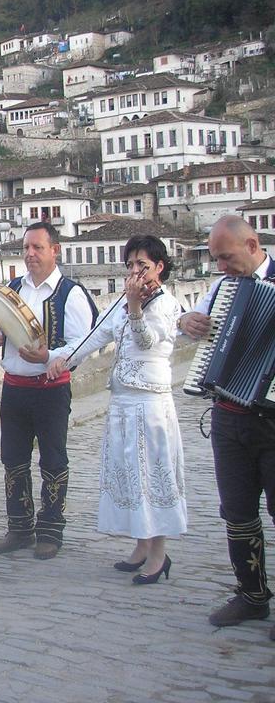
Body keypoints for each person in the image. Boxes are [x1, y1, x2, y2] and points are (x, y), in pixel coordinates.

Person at [47, 235, 186, 584]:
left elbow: (147, 341)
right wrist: (63, 360)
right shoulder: (122, 304)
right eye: (131, 265)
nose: (136, 271)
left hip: (150, 403)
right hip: (123, 402)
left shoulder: (166, 304)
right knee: (131, 477)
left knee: (153, 476)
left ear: (159, 267)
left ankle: (159, 554)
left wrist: (136, 307)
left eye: (143, 264)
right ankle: (141, 545)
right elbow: (95, 336)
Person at [178, 215, 275, 638]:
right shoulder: (223, 289)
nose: (219, 266)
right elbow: (186, 326)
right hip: (229, 416)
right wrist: (187, 323)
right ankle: (251, 596)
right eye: (215, 258)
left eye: (226, 257)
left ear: (252, 245)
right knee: (236, 511)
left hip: (272, 421)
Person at [0, 221, 98, 560]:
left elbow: (84, 345)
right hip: (14, 388)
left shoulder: (70, 293)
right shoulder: (12, 289)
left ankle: (50, 530)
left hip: (50, 390)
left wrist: (49, 356)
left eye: (38, 248)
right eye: (26, 248)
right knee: (13, 460)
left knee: (53, 459)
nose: (30, 254)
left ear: (54, 250)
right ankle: (19, 528)